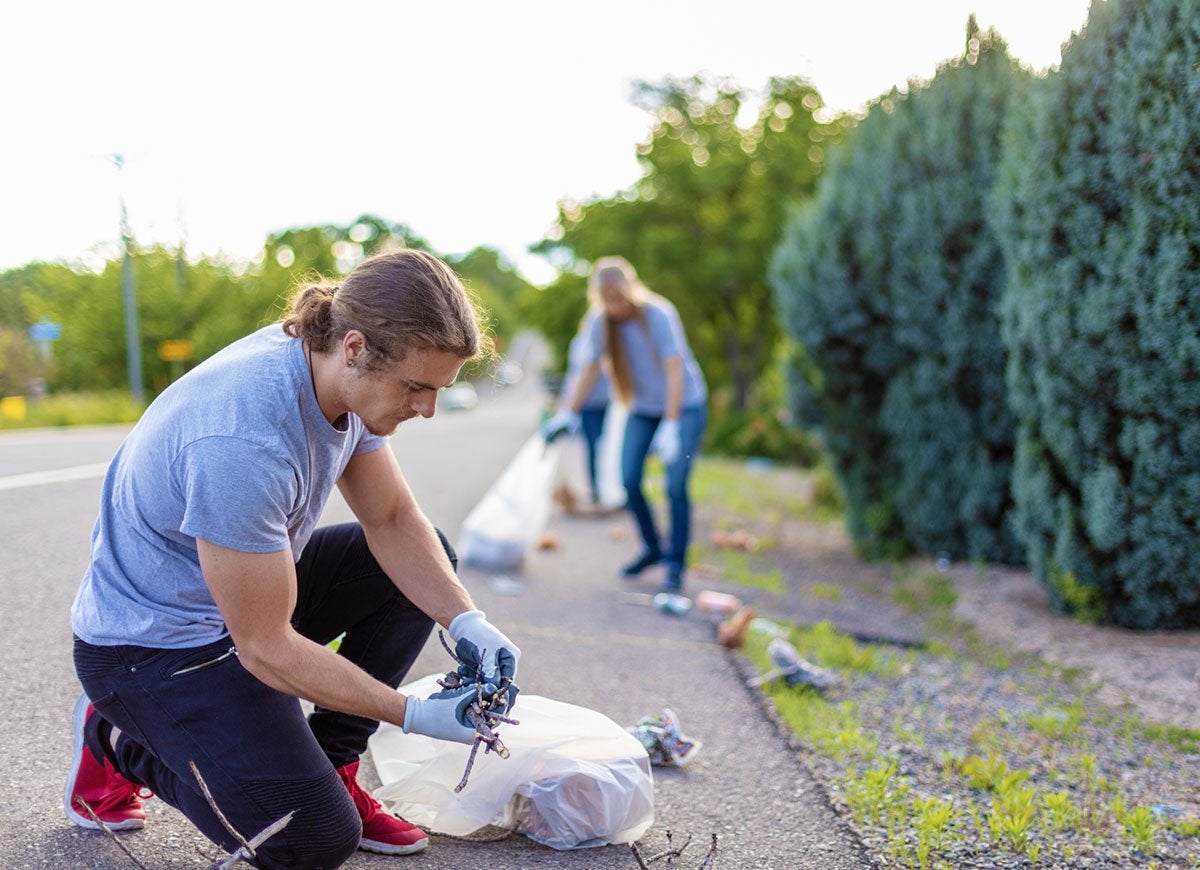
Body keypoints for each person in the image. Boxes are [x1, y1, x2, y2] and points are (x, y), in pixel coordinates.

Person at [65, 249, 522, 868]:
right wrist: (415, 714)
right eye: (416, 387)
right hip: (152, 651)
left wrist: (467, 620)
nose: (427, 408)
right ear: (355, 347)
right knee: (308, 841)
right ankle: (116, 738)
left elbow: (390, 520)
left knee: (421, 560)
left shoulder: (340, 369)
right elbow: (267, 648)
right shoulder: (240, 440)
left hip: (237, 605)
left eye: (438, 389)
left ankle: (332, 766)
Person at [545, 256, 707, 592]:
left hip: (685, 406)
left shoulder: (658, 314)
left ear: (631, 288)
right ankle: (652, 549)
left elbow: (674, 367)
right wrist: (568, 412)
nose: (615, 305)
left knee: (675, 486)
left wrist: (672, 423)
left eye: (619, 296)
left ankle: (675, 563)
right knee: (629, 480)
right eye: (607, 299)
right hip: (644, 408)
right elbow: (589, 369)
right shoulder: (600, 323)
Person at [557, 311, 611, 505]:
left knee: (606, 447)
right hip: (586, 404)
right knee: (593, 447)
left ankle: (609, 488)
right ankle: (597, 489)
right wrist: (569, 405)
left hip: (606, 401)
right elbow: (575, 375)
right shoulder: (579, 344)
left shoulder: (607, 344)